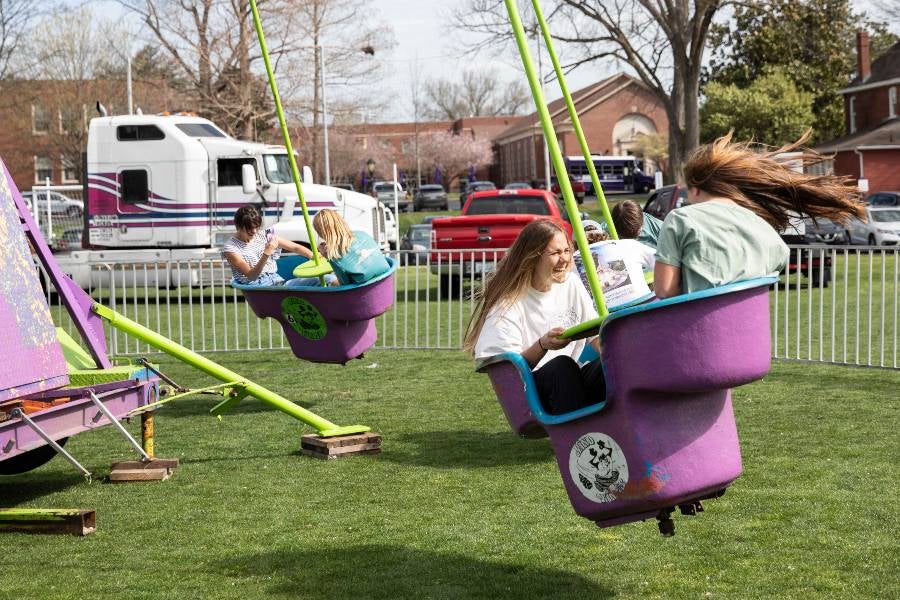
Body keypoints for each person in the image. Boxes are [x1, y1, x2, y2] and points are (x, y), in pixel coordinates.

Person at [653, 133, 865, 299]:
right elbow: (778, 260)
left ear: (696, 189)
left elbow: (665, 289)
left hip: (699, 339)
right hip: (752, 343)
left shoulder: (681, 219)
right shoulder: (761, 224)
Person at [464, 220, 604, 415]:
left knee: (610, 366)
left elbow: (594, 336)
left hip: (572, 380)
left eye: (567, 250)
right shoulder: (508, 304)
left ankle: (622, 430)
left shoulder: (571, 283)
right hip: (533, 391)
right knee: (562, 366)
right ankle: (576, 438)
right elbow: (509, 372)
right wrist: (542, 345)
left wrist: (614, 356)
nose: (564, 259)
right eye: (555, 253)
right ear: (533, 257)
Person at [223, 205, 314, 286]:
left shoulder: (265, 234)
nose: (254, 231)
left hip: (277, 280)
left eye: (257, 227)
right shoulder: (231, 248)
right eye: (249, 228)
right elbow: (252, 276)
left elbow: (295, 247)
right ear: (238, 226)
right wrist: (266, 253)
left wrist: (313, 256)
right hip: (259, 286)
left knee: (324, 280)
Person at [312, 209, 391, 285]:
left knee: (325, 280)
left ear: (322, 232)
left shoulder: (334, 254)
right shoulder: (362, 234)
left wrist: (327, 257)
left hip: (361, 293)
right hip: (386, 283)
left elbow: (344, 283)